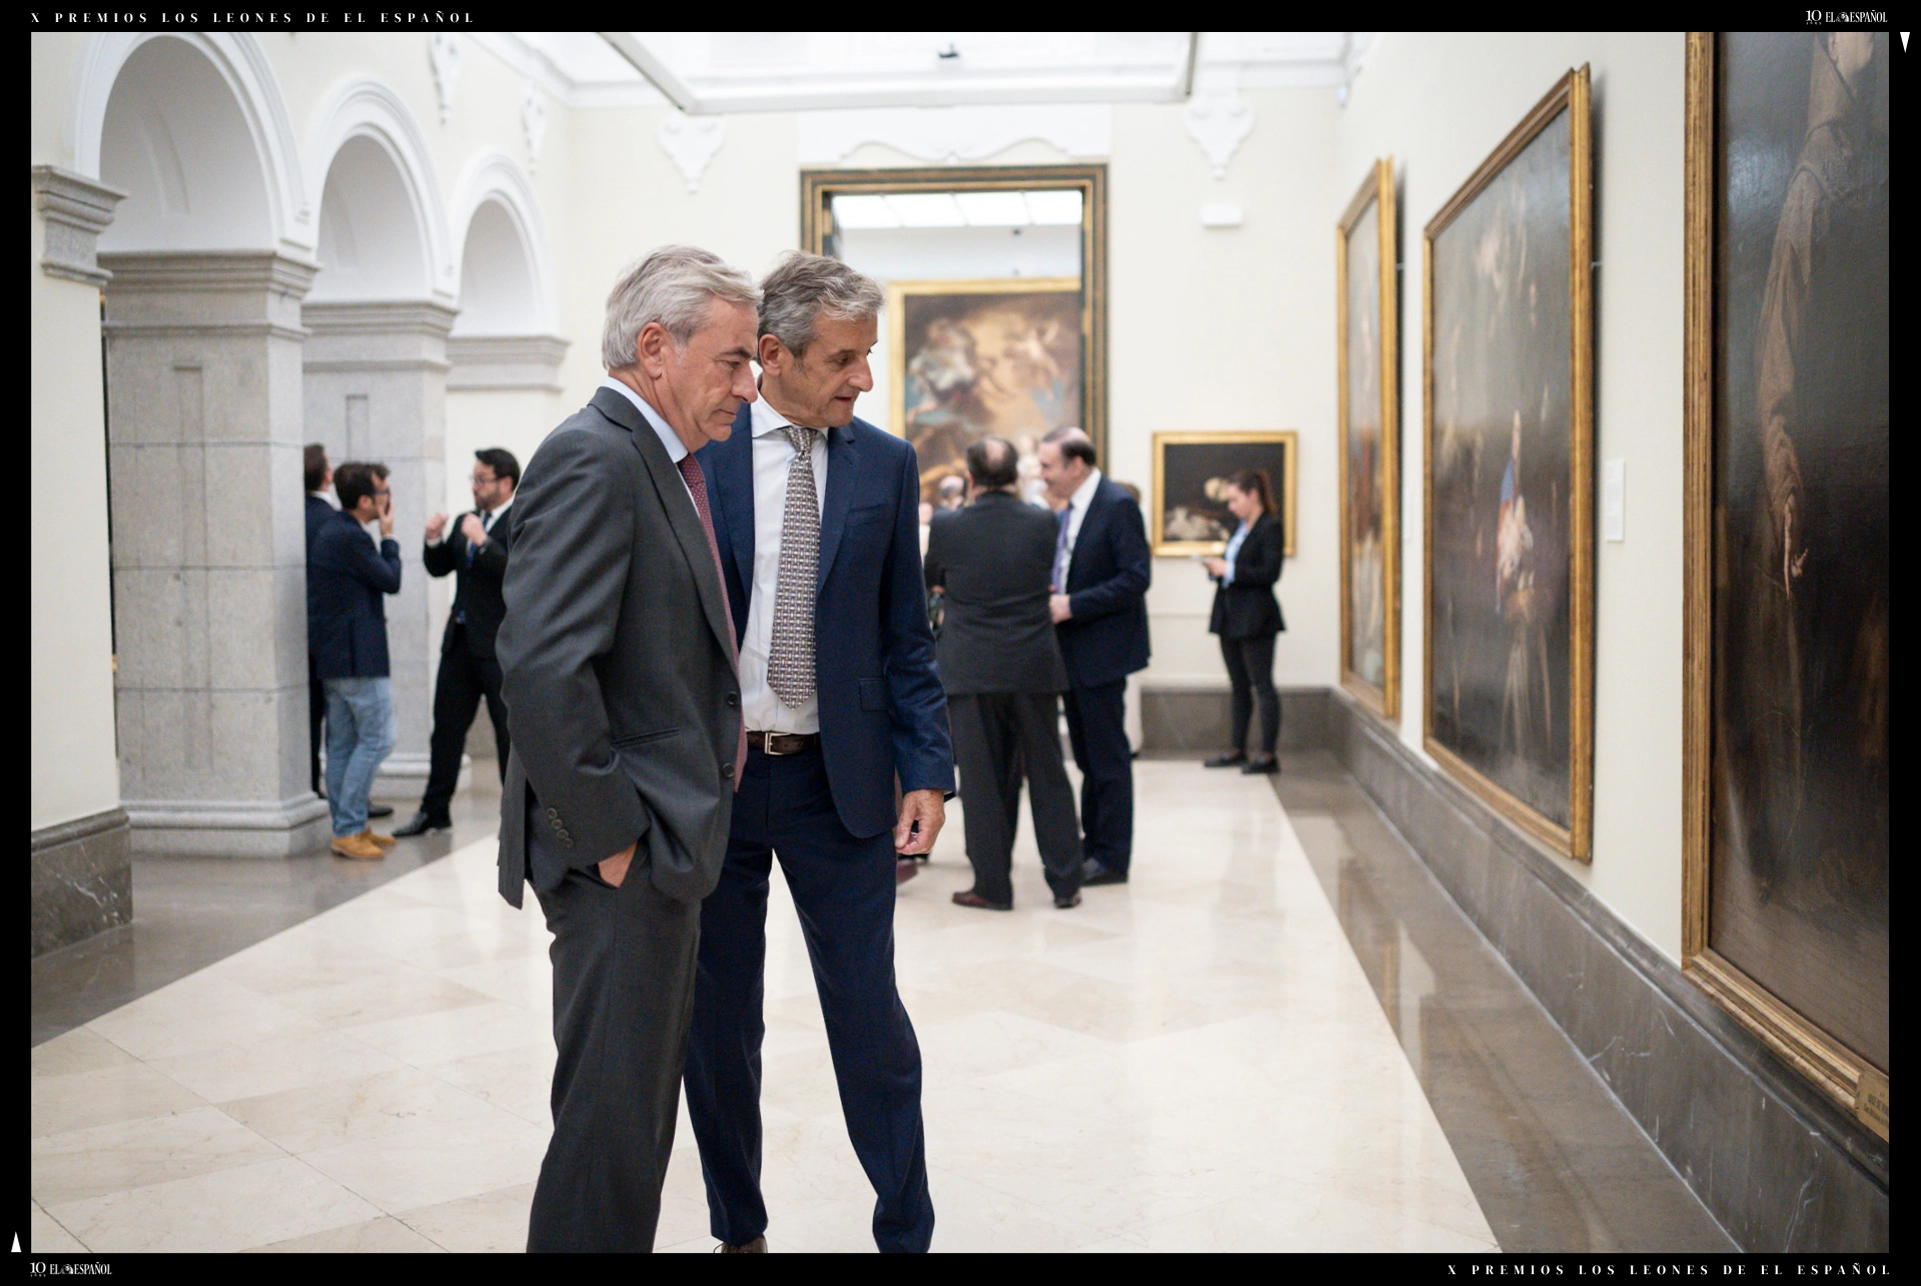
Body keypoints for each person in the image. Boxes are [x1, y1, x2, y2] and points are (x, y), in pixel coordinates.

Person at [687, 251, 954, 1255]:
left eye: (867, 355)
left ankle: (905, 1230)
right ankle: (738, 1228)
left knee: (870, 1020)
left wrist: (926, 770)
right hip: (716, 785)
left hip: (837, 784)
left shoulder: (885, 463)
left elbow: (905, 638)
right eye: (843, 358)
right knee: (720, 1026)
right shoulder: (701, 454)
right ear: (774, 354)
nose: (864, 378)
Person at [495, 246, 760, 1254]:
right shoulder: (595, 455)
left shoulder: (656, 458)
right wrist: (612, 838)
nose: (748, 385)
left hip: (657, 844)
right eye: (732, 360)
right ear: (656, 347)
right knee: (609, 1128)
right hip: (620, 854)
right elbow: (542, 668)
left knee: (631, 1120)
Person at [926, 436, 1082, 911]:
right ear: (1015, 476)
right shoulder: (1042, 520)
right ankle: (1065, 882)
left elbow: (933, 577)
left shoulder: (948, 524)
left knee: (982, 781)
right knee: (1049, 773)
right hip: (1032, 664)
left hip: (971, 667)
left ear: (970, 478)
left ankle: (992, 885)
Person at [1039, 427, 1150, 887]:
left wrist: (1073, 604)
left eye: (1048, 466)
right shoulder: (1074, 506)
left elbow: (1135, 578)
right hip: (1074, 651)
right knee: (1087, 758)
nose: (1042, 475)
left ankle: (1113, 857)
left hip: (1102, 652)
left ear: (1076, 465)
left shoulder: (1116, 504)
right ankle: (1094, 844)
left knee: (1107, 760)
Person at [394, 448, 520, 837]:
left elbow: (517, 574)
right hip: (460, 642)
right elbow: (440, 568)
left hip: (499, 647)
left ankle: (515, 818)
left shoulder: (521, 521)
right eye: (473, 478)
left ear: (506, 483)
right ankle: (434, 811)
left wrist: (484, 543)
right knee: (446, 730)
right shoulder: (466, 520)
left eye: (481, 479)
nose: (474, 486)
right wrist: (433, 541)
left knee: (508, 735)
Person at [308, 461, 402, 860]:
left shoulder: (336, 530)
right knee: (379, 739)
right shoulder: (351, 537)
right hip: (357, 657)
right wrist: (389, 537)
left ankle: (350, 827)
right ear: (365, 500)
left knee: (344, 745)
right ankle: (348, 827)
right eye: (382, 492)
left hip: (336, 656)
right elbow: (391, 580)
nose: (388, 499)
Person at [1202, 469, 1286, 774]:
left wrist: (1231, 570)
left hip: (1256, 617)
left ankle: (1267, 754)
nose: (1231, 506)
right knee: (1238, 685)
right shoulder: (1239, 528)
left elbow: (1270, 573)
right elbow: (1233, 567)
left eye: (1236, 499)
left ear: (1253, 495)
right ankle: (1237, 749)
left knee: (1262, 685)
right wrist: (1217, 569)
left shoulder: (1270, 527)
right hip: (1229, 615)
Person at [304, 444, 334, 801]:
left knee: (310, 716)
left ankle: (309, 783)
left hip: (303, 626)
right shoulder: (330, 520)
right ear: (327, 475)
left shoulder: (293, 513)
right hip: (326, 632)